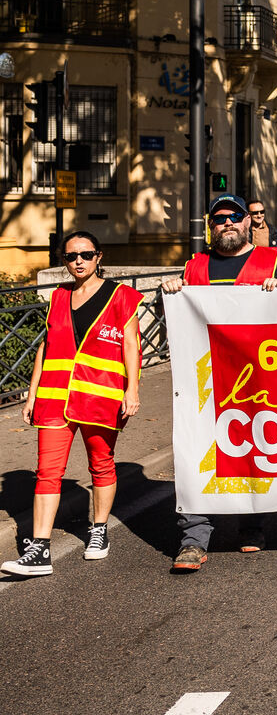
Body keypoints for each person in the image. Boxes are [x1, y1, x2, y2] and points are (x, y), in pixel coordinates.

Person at [159, 194, 277, 571]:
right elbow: (174, 320)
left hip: (257, 380)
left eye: (234, 216)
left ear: (247, 221)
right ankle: (193, 538)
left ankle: (251, 524)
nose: (227, 223)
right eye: (219, 218)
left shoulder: (273, 261)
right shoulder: (194, 266)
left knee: (251, 452)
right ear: (210, 226)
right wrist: (171, 291)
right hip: (205, 380)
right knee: (197, 456)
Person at [3, 233, 142, 577]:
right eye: (71, 256)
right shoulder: (58, 296)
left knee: (101, 465)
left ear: (99, 256)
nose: (78, 261)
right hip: (55, 396)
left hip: (100, 396)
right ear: (63, 260)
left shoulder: (121, 296)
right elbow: (47, 345)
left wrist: (133, 390)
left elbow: (131, 345)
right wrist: (32, 393)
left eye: (86, 254)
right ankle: (39, 550)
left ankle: (99, 530)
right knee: (47, 472)